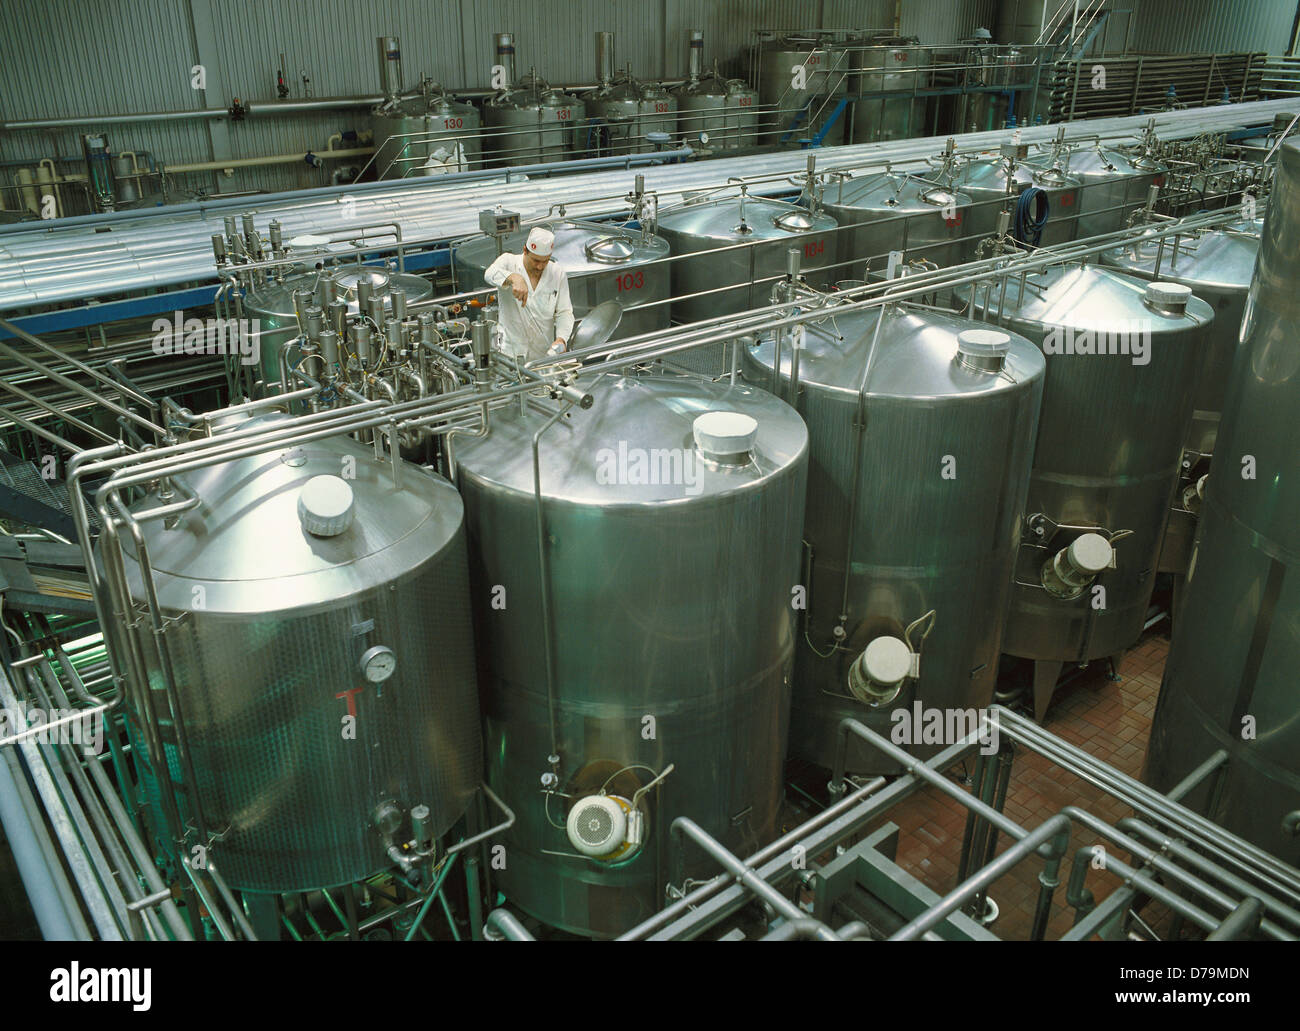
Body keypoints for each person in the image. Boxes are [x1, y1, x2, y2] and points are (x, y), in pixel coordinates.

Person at [483, 226, 574, 362]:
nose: (540, 267)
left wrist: (561, 339)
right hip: (508, 351)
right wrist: (513, 277)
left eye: (545, 261)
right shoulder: (509, 262)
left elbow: (564, 312)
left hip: (543, 353)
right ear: (525, 250)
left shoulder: (557, 273)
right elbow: (488, 274)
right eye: (536, 261)